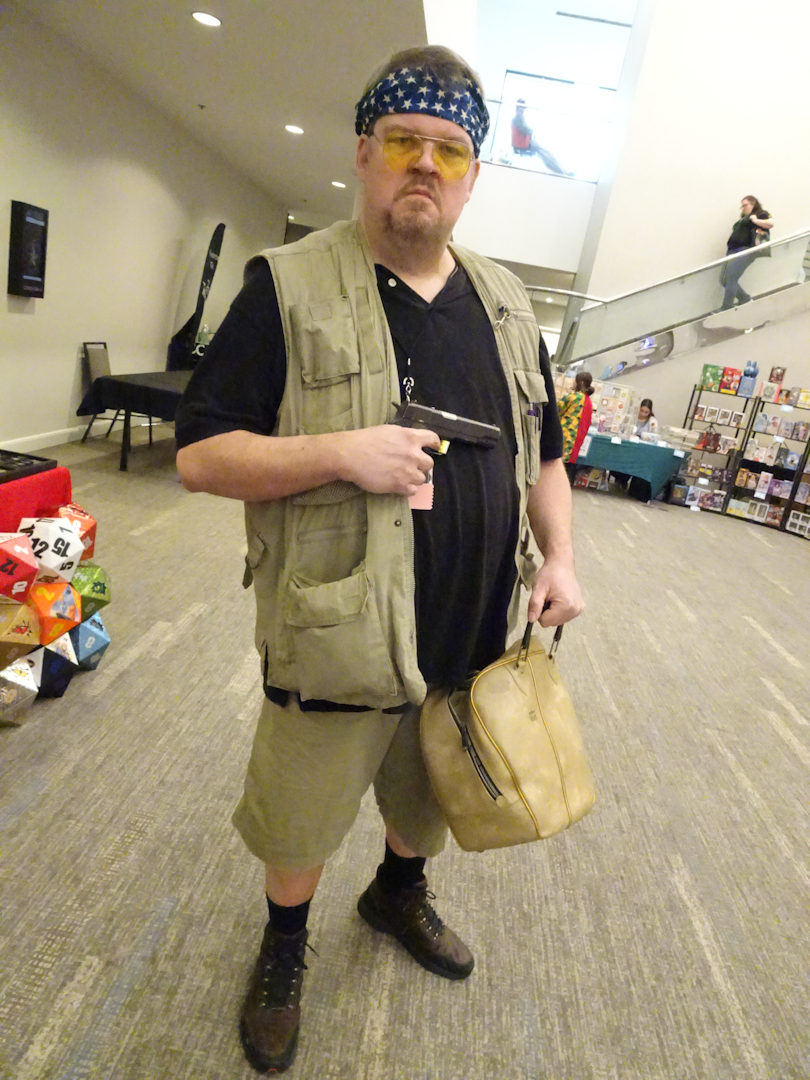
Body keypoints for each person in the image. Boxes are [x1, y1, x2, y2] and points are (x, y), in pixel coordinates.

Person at [175, 44, 583, 1075]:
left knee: (427, 788)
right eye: (404, 141)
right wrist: (338, 453)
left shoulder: (505, 303)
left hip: (469, 620)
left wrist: (562, 558)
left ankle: (398, 891)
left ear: (473, 175)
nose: (426, 166)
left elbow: (544, 453)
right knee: (302, 809)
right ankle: (284, 945)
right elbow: (201, 456)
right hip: (338, 623)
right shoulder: (287, 286)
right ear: (363, 153)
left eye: (450, 150)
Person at [719, 195, 774, 310]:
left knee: (731, 278)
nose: (743, 208)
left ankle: (727, 307)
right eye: (742, 206)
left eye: (745, 205)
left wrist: (755, 220)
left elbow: (770, 223)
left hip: (745, 250)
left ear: (753, 203)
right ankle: (744, 299)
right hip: (733, 251)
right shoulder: (743, 219)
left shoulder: (760, 213)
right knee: (724, 280)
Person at [510, 98, 571, 176]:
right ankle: (562, 170)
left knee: (545, 154)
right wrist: (532, 131)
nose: (524, 108)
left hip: (524, 142)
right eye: (522, 106)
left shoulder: (519, 116)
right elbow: (526, 130)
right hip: (523, 144)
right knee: (546, 153)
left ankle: (559, 170)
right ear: (519, 106)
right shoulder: (518, 117)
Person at [557, 371, 594, 483]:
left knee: (559, 462)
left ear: (580, 383)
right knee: (569, 464)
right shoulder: (588, 401)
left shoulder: (573, 397)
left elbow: (557, 410)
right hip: (577, 437)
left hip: (566, 434)